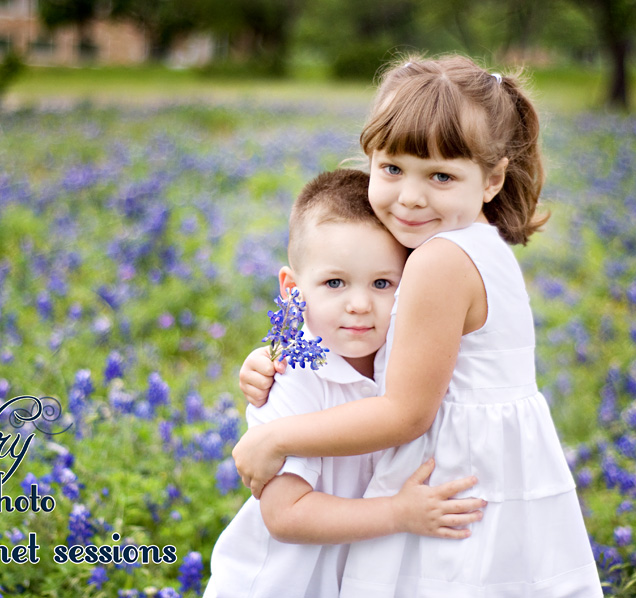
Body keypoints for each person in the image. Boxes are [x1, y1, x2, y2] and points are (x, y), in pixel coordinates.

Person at [233, 55, 603, 596]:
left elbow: (405, 411)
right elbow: (377, 346)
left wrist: (274, 437)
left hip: (446, 482)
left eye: (441, 175)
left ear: (492, 178)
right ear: (370, 157)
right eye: (391, 169)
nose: (409, 196)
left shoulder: (437, 260)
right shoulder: (477, 246)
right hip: (492, 478)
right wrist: (278, 350)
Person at [205, 168, 485, 598]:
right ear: (292, 289)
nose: (358, 305)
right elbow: (285, 517)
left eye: (382, 283)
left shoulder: (410, 362)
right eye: (335, 282)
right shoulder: (288, 377)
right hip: (280, 587)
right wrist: (398, 514)